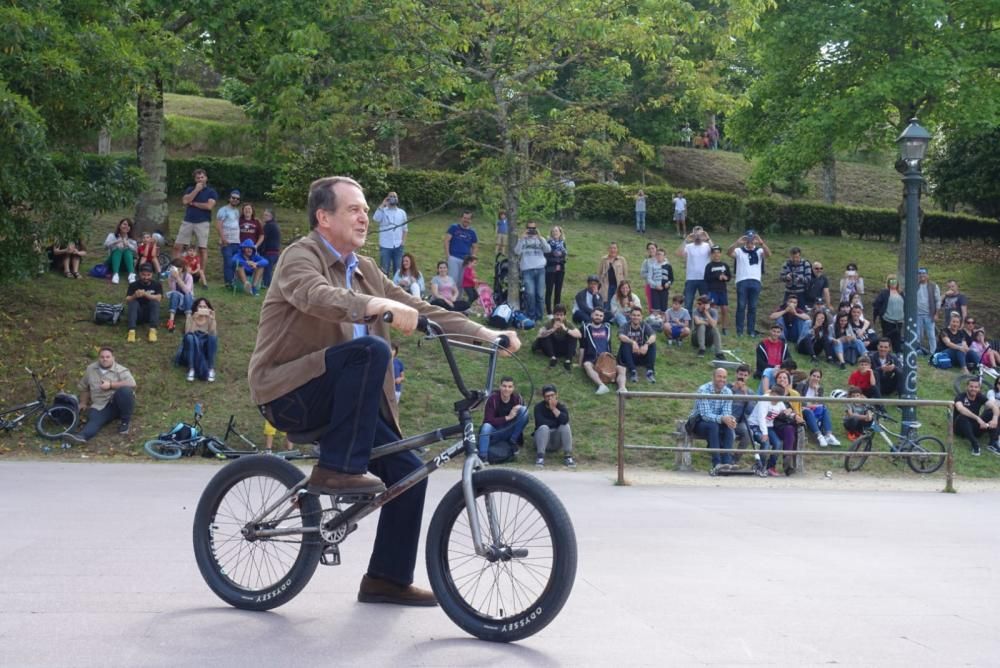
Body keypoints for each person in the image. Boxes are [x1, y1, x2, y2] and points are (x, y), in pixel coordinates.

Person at [248, 175, 520, 606]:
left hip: (347, 403)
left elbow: (422, 309)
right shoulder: (300, 256)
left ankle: (386, 580)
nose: (365, 216)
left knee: (409, 474)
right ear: (323, 217)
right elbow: (315, 295)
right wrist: (374, 305)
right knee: (371, 349)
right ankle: (335, 467)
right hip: (288, 391)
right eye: (354, 209)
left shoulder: (367, 270)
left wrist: (484, 332)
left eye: (366, 209)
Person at [68, 347, 136, 441]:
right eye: (102, 357)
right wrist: (83, 403)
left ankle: (125, 422)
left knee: (125, 391)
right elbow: (84, 387)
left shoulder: (120, 369)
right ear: (98, 358)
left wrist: (111, 385)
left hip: (117, 404)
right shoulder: (91, 369)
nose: (105, 359)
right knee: (94, 420)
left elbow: (132, 383)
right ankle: (81, 436)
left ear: (113, 358)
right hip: (100, 405)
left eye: (108, 357)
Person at [689, 368, 737, 473]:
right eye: (719, 376)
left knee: (728, 426)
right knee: (713, 426)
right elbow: (705, 415)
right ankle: (717, 464)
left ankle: (727, 463)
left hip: (717, 422)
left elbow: (726, 412)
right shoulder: (703, 390)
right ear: (713, 377)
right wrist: (722, 418)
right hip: (698, 422)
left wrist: (730, 419)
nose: (722, 379)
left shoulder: (728, 392)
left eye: (724, 377)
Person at [175, 169, 219, 279]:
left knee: (202, 249)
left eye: (202, 177)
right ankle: (176, 270)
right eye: (198, 178)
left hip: (203, 222)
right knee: (178, 246)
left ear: (206, 178)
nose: (200, 179)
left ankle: (200, 273)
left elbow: (209, 206)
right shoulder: (190, 189)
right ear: (195, 179)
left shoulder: (211, 192)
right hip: (188, 221)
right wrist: (196, 190)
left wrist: (193, 203)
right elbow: (185, 201)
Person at [727, 231, 771, 337]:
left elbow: (769, 254)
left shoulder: (759, 250)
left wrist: (762, 243)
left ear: (754, 241)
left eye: (752, 241)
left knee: (753, 307)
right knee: (741, 306)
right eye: (748, 241)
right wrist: (737, 243)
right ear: (745, 241)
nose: (750, 243)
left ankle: (751, 330)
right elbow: (728, 253)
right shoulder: (739, 250)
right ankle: (739, 330)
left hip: (755, 281)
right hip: (742, 280)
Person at [478, 376, 528, 460]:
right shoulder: (492, 399)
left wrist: (519, 408)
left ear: (513, 388)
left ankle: (513, 441)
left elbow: (524, 419)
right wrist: (507, 417)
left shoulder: (517, 398)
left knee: (524, 410)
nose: (507, 389)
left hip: (510, 431)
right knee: (486, 427)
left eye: (509, 387)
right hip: (495, 431)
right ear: (500, 387)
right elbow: (488, 420)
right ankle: (483, 456)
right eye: (504, 386)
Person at [748, 385, 791, 476]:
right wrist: (764, 433)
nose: (775, 400)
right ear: (771, 393)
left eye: (778, 398)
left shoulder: (780, 403)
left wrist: (788, 411)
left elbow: (784, 411)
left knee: (778, 443)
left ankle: (770, 467)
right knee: (766, 443)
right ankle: (761, 467)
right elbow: (761, 418)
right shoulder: (764, 400)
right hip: (755, 425)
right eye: (773, 396)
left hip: (768, 426)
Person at [581, 307, 626, 395]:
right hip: (593, 357)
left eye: (601, 316)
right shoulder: (586, 327)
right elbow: (582, 346)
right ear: (592, 315)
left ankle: (622, 388)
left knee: (622, 369)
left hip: (606, 357)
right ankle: (601, 386)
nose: (598, 317)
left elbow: (609, 345)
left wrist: (611, 359)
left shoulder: (607, 328)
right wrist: (580, 363)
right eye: (596, 315)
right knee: (586, 365)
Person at [514, 221, 550, 321]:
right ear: (526, 228)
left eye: (533, 228)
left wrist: (540, 237)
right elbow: (516, 251)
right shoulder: (522, 239)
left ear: (536, 228)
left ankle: (540, 317)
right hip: (527, 270)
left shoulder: (541, 239)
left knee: (540, 295)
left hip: (540, 269)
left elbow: (548, 250)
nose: (531, 230)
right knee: (530, 294)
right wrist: (522, 238)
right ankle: (531, 316)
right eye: (529, 228)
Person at [953, 378, 999, 456]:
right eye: (971, 386)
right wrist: (978, 418)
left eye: (976, 387)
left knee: (991, 412)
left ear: (979, 388)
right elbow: (961, 409)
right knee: (962, 417)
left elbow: (994, 406)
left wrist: (995, 419)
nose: (973, 389)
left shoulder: (979, 396)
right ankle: (975, 444)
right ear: (967, 387)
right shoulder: (960, 396)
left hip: (974, 428)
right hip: (960, 428)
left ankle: (992, 443)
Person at [176, 297, 218, 382]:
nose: (202, 308)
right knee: (190, 337)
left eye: (204, 307)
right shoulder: (190, 317)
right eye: (200, 306)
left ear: (208, 308)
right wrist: (194, 320)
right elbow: (187, 335)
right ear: (196, 308)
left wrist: (213, 319)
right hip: (190, 348)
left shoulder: (210, 318)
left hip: (203, 347)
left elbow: (212, 333)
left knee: (213, 337)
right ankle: (191, 369)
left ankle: (210, 368)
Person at [533, 384, 575, 468]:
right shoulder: (538, 407)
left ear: (556, 395)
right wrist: (557, 422)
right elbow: (540, 422)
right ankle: (540, 457)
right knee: (544, 428)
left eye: (552, 395)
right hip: (542, 440)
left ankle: (568, 456)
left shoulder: (561, 406)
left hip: (556, 441)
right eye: (547, 396)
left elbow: (565, 420)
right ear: (544, 397)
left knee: (565, 426)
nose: (550, 398)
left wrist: (553, 409)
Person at [795, 368, 840, 447]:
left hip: (814, 409)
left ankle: (828, 435)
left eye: (818, 377)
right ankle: (819, 436)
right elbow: (798, 401)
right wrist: (810, 405)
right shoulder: (802, 385)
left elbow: (820, 402)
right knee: (808, 411)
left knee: (825, 409)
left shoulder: (820, 388)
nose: (815, 378)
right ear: (810, 376)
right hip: (803, 409)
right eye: (814, 376)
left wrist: (816, 392)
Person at [533, 304, 581, 371]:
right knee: (545, 335)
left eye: (561, 315)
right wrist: (552, 329)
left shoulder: (567, 323)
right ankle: (553, 358)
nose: (559, 317)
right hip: (552, 348)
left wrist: (566, 329)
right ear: (553, 315)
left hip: (563, 348)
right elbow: (539, 334)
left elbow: (579, 334)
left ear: (564, 316)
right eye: (557, 315)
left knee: (573, 336)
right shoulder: (550, 323)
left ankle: (568, 360)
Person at [676, 226, 712, 312]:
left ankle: (705, 324)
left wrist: (708, 238)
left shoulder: (707, 246)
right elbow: (678, 253)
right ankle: (687, 324)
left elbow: (716, 251)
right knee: (688, 303)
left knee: (705, 303)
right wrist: (686, 240)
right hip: (691, 278)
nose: (698, 236)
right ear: (693, 235)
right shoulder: (689, 246)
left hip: (704, 278)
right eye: (696, 234)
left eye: (700, 234)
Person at [617, 307, 657, 383]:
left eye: (638, 315)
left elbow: (653, 336)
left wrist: (646, 345)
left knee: (652, 344)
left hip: (641, 353)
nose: (636, 317)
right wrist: (633, 342)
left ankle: (650, 371)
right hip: (628, 355)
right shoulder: (626, 325)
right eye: (634, 315)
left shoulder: (644, 325)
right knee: (625, 343)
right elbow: (621, 336)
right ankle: (633, 371)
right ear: (630, 316)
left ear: (641, 317)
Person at [125, 263, 162, 343]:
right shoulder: (133, 285)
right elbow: (127, 299)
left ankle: (152, 330)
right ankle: (131, 331)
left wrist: (145, 294)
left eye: (148, 275)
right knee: (133, 302)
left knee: (154, 302)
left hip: (150, 314)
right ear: (139, 274)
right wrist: (134, 295)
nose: (146, 277)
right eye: (143, 275)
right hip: (137, 314)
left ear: (152, 274)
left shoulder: (157, 285)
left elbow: (159, 298)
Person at [373, 191, 408, 277]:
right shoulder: (382, 211)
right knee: (384, 270)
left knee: (398, 270)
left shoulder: (402, 213)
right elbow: (375, 219)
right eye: (391, 196)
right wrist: (382, 204)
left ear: (397, 199)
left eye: (395, 196)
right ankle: (385, 288)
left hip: (398, 246)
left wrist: (402, 242)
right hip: (385, 246)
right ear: (387, 198)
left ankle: (397, 288)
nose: (393, 198)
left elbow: (405, 229)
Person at [215, 189, 242, 289]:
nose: (235, 200)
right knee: (228, 262)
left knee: (235, 262)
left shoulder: (236, 211)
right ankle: (228, 283)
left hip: (236, 241)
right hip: (227, 241)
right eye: (233, 198)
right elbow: (218, 225)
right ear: (229, 198)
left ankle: (235, 281)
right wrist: (223, 238)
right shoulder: (223, 210)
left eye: (237, 199)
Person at [444, 210, 478, 286]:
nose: (466, 220)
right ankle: (450, 297)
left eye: (468, 218)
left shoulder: (472, 232)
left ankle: (459, 298)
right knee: (453, 279)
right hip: (453, 257)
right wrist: (448, 256)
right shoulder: (454, 227)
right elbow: (446, 241)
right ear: (461, 218)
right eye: (464, 218)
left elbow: (475, 247)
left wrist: (471, 261)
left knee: (462, 281)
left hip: (466, 260)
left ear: (471, 220)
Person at [871, 274, 904, 352]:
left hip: (899, 320)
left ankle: (898, 353)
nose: (893, 283)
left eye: (895, 281)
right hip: (887, 319)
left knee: (897, 338)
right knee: (887, 338)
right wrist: (879, 314)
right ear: (888, 283)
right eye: (891, 281)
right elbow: (876, 304)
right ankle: (885, 352)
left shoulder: (901, 293)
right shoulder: (884, 292)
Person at [703, 245, 731, 334]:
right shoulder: (709, 265)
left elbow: (729, 277)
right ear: (711, 254)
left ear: (720, 254)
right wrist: (717, 276)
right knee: (713, 308)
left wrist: (726, 277)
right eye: (714, 253)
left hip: (722, 290)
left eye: (718, 252)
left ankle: (725, 328)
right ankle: (713, 327)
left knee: (725, 309)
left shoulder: (725, 265)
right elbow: (706, 278)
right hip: (712, 290)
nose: (716, 254)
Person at [728, 364, 754, 456]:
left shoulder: (750, 392)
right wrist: (734, 390)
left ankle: (735, 459)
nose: (742, 377)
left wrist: (745, 395)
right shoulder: (727, 387)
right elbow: (721, 403)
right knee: (731, 435)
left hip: (739, 422)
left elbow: (750, 411)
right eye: (740, 374)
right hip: (726, 420)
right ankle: (726, 459)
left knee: (749, 433)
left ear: (748, 377)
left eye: (745, 375)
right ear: (736, 374)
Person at [104, 218, 138, 285]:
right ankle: (115, 274)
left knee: (127, 250)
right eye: (124, 224)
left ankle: (131, 274)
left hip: (126, 265)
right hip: (112, 263)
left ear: (130, 228)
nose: (126, 226)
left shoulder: (132, 239)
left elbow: (136, 252)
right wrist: (115, 242)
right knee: (118, 249)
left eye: (128, 225)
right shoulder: (112, 235)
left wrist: (127, 244)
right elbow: (105, 247)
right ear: (120, 225)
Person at [915, 268, 941, 355]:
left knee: (931, 335)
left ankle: (933, 352)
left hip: (929, 314)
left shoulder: (934, 286)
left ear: (927, 275)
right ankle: (918, 350)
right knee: (918, 334)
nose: (922, 276)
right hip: (917, 314)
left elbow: (938, 300)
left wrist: (936, 314)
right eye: (920, 274)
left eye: (924, 274)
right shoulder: (914, 286)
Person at [165, 259, 194, 333]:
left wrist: (178, 278)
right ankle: (171, 320)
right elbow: (173, 290)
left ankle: (188, 321)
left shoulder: (188, 277)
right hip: (177, 305)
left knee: (187, 295)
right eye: (174, 268)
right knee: (174, 293)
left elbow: (187, 291)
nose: (176, 270)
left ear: (182, 268)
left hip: (188, 303)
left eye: (178, 268)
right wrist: (172, 278)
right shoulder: (171, 276)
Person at [544, 225, 567, 314]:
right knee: (549, 291)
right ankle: (549, 312)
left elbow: (564, 257)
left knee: (558, 291)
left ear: (560, 233)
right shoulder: (548, 243)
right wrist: (555, 256)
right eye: (553, 231)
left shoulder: (563, 243)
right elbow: (546, 256)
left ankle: (556, 311)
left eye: (556, 231)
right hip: (550, 270)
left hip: (560, 270)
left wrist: (560, 258)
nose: (555, 233)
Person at [692, 295, 723, 359]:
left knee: (715, 329)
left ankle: (719, 353)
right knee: (701, 326)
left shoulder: (713, 311)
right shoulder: (696, 311)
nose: (698, 305)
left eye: (700, 304)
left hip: (709, 339)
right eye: (698, 303)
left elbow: (714, 325)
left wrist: (706, 312)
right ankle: (702, 349)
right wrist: (708, 323)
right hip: (696, 339)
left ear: (706, 305)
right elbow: (697, 322)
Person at [260, 208, 282, 288]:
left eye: (266, 215)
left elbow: (262, 238)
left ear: (271, 216)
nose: (264, 216)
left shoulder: (269, 226)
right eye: (264, 215)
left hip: (270, 252)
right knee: (267, 269)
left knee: (267, 270)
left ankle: (266, 285)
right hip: (275, 252)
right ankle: (266, 284)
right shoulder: (274, 225)